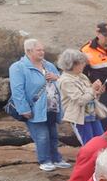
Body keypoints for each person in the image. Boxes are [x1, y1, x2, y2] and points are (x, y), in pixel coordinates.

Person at [8, 38, 69, 172]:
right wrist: (23, 109)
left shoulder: (49, 65)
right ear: (29, 51)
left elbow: (62, 82)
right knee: (41, 136)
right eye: (39, 50)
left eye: (43, 49)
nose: (42, 52)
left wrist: (57, 78)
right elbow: (17, 91)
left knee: (53, 134)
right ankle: (44, 160)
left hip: (52, 107)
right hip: (34, 108)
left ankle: (56, 158)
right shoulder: (18, 67)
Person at [56, 48, 107, 145]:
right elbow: (80, 100)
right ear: (72, 64)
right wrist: (93, 89)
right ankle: (90, 160)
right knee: (88, 144)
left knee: (101, 140)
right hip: (79, 117)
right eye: (81, 63)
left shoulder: (82, 76)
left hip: (91, 113)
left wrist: (98, 92)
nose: (84, 65)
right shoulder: (65, 80)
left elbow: (90, 95)